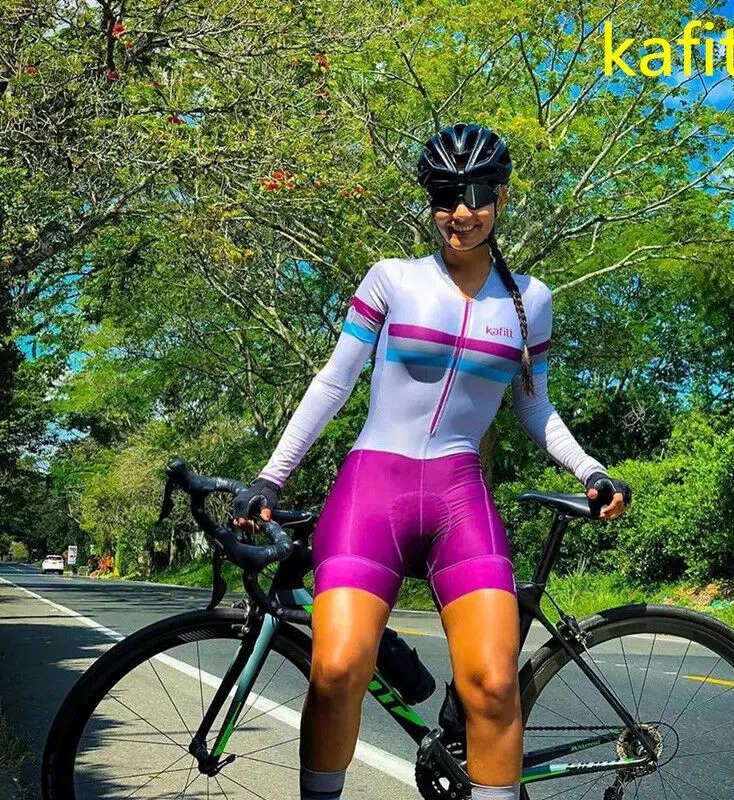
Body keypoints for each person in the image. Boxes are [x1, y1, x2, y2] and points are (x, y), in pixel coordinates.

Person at [233, 123, 632, 800]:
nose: (461, 211)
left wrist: (589, 469)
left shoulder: (531, 301)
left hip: (457, 497)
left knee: (494, 686)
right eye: (445, 195)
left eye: (477, 194)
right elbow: (334, 383)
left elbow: (535, 407)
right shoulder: (392, 279)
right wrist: (272, 476)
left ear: (502, 197)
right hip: (373, 491)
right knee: (336, 669)